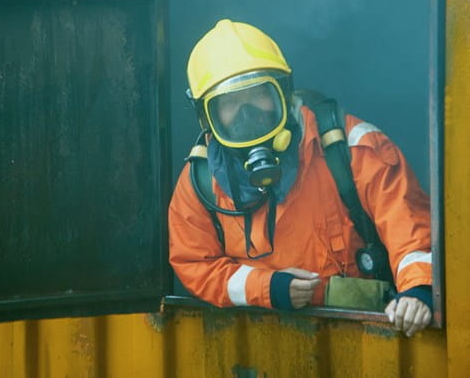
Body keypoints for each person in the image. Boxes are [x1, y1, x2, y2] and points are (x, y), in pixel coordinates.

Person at [168, 19, 433, 337]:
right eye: (229, 103)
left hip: (363, 338)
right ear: (205, 116)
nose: (246, 112)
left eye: (257, 94)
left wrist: (419, 290)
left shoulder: (351, 148)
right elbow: (194, 264)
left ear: (283, 90)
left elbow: (413, 235)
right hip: (261, 344)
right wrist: (266, 287)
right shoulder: (200, 182)